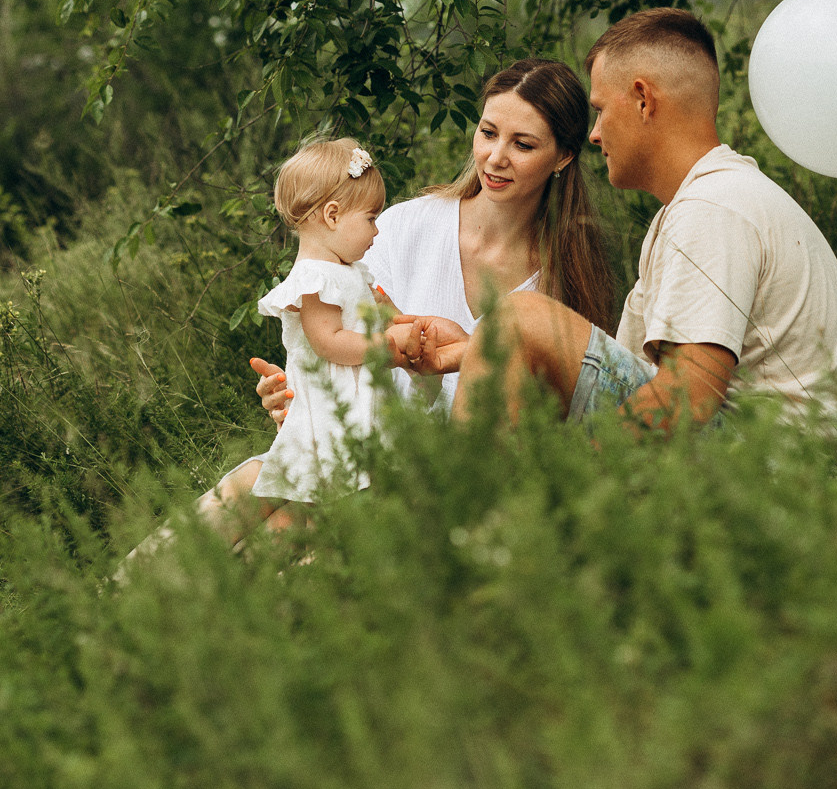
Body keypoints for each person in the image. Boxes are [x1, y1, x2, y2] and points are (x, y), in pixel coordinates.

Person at [205, 59, 618, 531]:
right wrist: (297, 394)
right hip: (342, 457)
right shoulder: (398, 229)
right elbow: (337, 340)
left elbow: (554, 426)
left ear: (563, 157)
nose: (496, 157)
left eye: (523, 144)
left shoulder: (565, 282)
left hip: (433, 492)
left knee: (281, 551)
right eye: (487, 133)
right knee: (223, 511)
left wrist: (470, 354)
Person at [410, 8, 837, 433]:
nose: (594, 133)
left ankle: (468, 506)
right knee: (510, 330)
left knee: (520, 316)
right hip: (752, 462)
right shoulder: (709, 202)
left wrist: (571, 481)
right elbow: (621, 380)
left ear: (643, 101)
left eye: (601, 109)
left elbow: (687, 398)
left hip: (767, 476)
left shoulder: (712, 209)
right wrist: (483, 350)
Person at [206, 137, 406, 539]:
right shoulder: (315, 279)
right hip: (334, 392)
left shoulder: (348, 270)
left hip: (355, 386)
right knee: (336, 465)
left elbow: (371, 316)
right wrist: (385, 348)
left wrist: (395, 320)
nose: (377, 230)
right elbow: (328, 342)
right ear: (332, 216)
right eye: (370, 218)